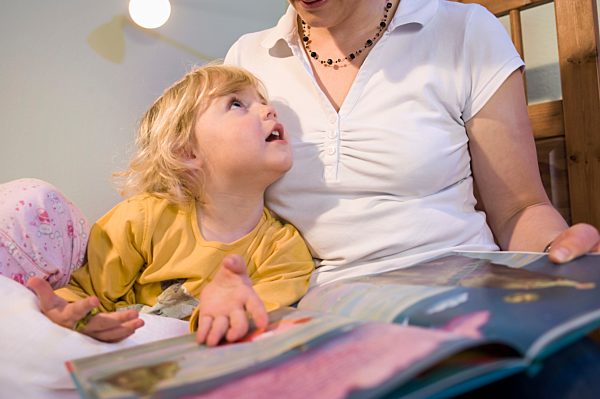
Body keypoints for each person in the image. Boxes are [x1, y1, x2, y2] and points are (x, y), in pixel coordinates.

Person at [223, 0, 600, 396]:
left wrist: (556, 252)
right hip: (320, 317)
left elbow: (520, 209)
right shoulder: (248, 59)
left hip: (470, 295)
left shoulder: (462, 30)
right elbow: (220, 210)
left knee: (573, 377)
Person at [2, 64, 314, 347]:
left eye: (263, 100)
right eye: (237, 104)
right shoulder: (141, 218)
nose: (268, 110)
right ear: (187, 152)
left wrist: (230, 308)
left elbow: (254, 323)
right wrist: (76, 316)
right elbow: (83, 291)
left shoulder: (285, 251)